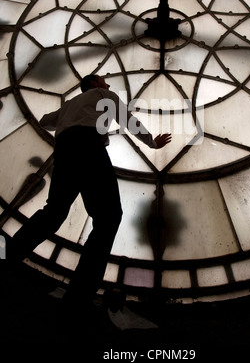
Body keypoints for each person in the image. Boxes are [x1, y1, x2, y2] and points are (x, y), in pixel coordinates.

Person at [8, 74, 171, 311]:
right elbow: (127, 119)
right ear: (95, 85)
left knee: (54, 212)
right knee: (108, 218)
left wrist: (68, 116)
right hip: (88, 147)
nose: (108, 85)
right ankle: (79, 296)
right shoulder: (103, 95)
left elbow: (45, 121)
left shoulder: (70, 104)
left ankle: (9, 255)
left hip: (64, 152)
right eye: (104, 81)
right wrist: (152, 143)